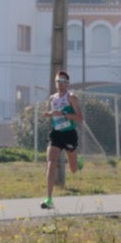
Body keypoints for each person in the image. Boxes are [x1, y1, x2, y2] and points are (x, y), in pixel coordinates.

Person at [42, 71, 82, 209]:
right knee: (51, 162)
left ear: (67, 83)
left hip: (69, 133)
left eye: (63, 81)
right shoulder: (52, 98)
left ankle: (77, 159)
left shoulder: (72, 98)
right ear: (55, 83)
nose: (60, 84)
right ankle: (49, 198)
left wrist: (64, 113)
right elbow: (46, 114)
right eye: (58, 81)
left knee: (73, 168)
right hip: (56, 133)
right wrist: (51, 114)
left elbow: (79, 118)